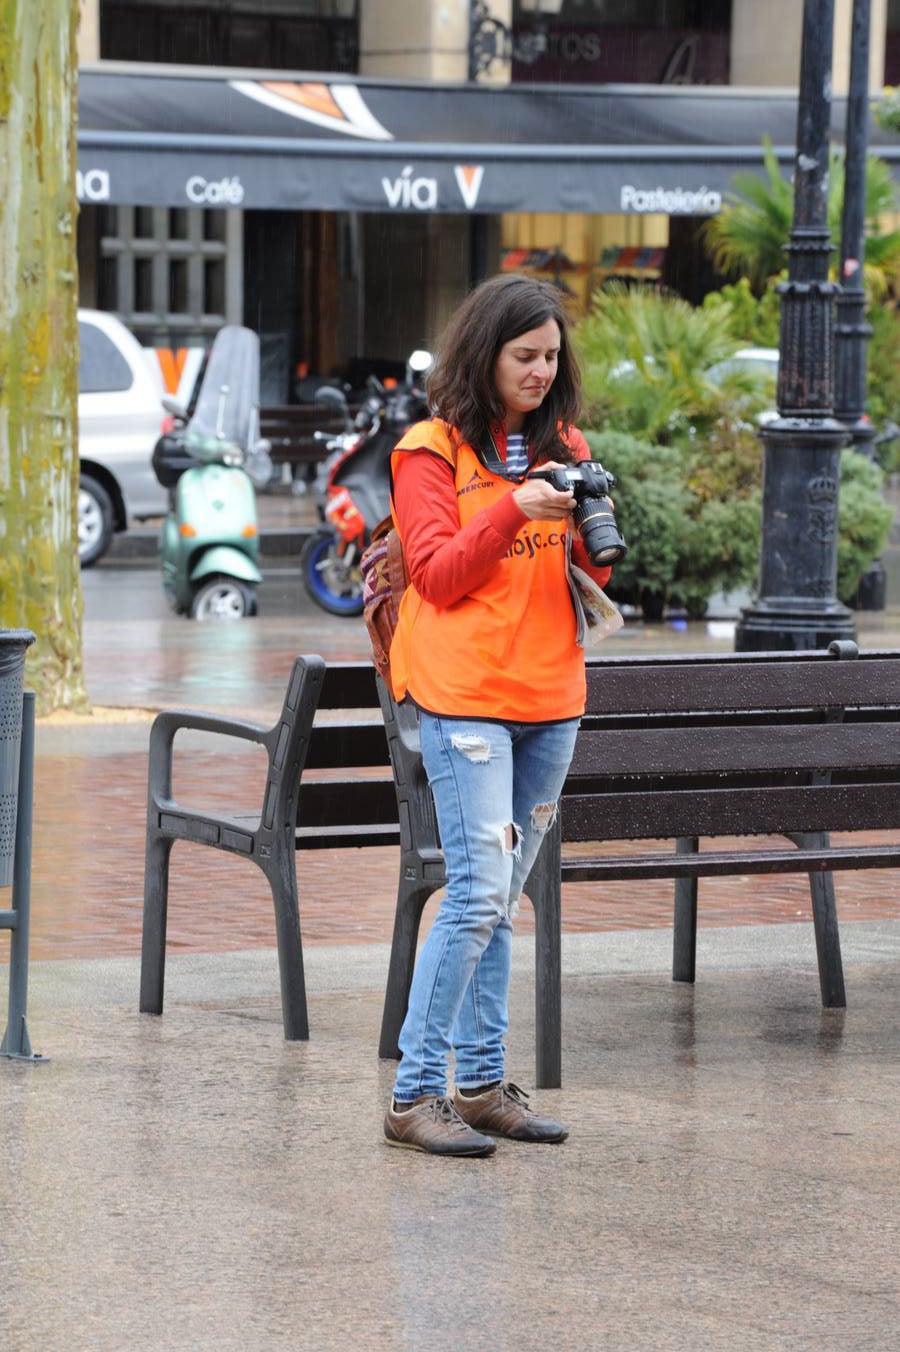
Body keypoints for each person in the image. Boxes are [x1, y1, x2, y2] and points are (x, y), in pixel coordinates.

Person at [382, 274, 615, 1157]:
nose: (541, 373)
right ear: (485, 355)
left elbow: (590, 579)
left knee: (502, 900)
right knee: (477, 892)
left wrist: (594, 524)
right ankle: (414, 1094)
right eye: (525, 356)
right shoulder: (429, 452)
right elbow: (438, 573)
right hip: (465, 698)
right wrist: (514, 508)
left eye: (553, 358)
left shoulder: (566, 444)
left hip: (552, 699)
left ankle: (480, 1086)